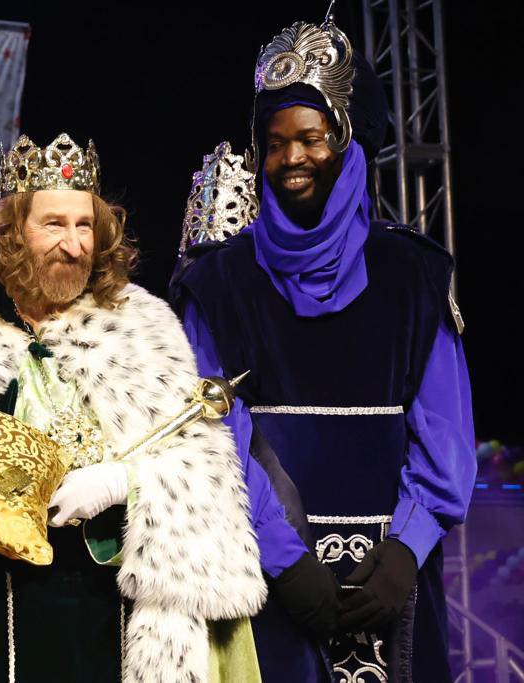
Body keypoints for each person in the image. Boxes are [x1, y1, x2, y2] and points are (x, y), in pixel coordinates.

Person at [172, 17, 476, 682]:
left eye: (310, 138)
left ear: (346, 141)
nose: (291, 158)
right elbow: (210, 434)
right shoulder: (217, 282)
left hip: (395, 588)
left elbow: (446, 430)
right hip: (265, 583)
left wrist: (407, 548)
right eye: (275, 143)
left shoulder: (414, 274)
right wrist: (286, 562)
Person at [0, 133, 267, 682]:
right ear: (11, 233)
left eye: (84, 226)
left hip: (109, 609)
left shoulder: (141, 327)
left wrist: (125, 482)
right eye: (53, 224)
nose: (73, 245)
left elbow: (204, 470)